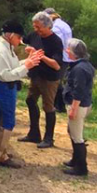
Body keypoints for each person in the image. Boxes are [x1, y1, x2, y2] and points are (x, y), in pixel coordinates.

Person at [0, 20, 42, 168]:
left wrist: (28, 61)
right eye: (18, 37)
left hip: (2, 85)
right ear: (10, 35)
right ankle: (1, 155)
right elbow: (6, 75)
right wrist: (27, 67)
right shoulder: (1, 50)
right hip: (4, 86)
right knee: (9, 120)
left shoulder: (5, 46)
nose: (20, 41)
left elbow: (13, 66)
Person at [20, 11, 65, 149]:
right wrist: (25, 48)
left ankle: (49, 138)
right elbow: (22, 41)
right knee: (30, 100)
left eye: (38, 27)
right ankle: (34, 133)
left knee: (48, 107)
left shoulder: (56, 41)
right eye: (34, 26)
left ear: (47, 26)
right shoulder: (34, 35)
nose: (36, 29)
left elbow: (57, 65)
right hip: (35, 75)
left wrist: (40, 55)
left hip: (49, 78)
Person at [62, 38, 94, 176]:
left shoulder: (79, 69)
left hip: (78, 105)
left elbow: (78, 90)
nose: (66, 51)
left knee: (77, 136)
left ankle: (81, 168)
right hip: (85, 104)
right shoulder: (86, 65)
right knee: (73, 131)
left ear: (74, 52)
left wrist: (73, 109)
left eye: (68, 49)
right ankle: (75, 160)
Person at [45, 7, 73, 114]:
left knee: (56, 81)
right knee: (58, 81)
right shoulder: (64, 25)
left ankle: (59, 105)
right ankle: (58, 105)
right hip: (67, 57)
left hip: (60, 58)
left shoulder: (56, 27)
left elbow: (57, 43)